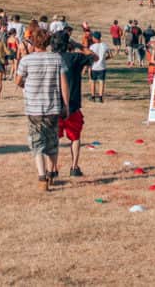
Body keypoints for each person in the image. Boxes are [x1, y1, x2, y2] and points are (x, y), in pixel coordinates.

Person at [15, 28, 69, 192]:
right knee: (52, 142)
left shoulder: (26, 60)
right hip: (52, 107)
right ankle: (52, 172)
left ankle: (42, 177)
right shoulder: (57, 59)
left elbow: (18, 81)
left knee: (37, 143)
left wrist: (26, 84)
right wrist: (66, 104)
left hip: (34, 108)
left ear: (33, 42)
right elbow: (63, 83)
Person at [55, 31, 92, 177]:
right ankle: (74, 167)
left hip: (54, 104)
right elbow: (94, 56)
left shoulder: (52, 58)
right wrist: (79, 45)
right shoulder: (75, 57)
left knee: (54, 139)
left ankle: (52, 168)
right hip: (72, 104)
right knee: (75, 137)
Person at [89, 31, 109, 103]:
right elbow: (110, 55)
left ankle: (93, 97)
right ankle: (100, 97)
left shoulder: (92, 46)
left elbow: (90, 57)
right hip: (102, 66)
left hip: (94, 66)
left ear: (94, 38)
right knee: (101, 82)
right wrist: (103, 59)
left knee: (93, 81)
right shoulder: (105, 45)